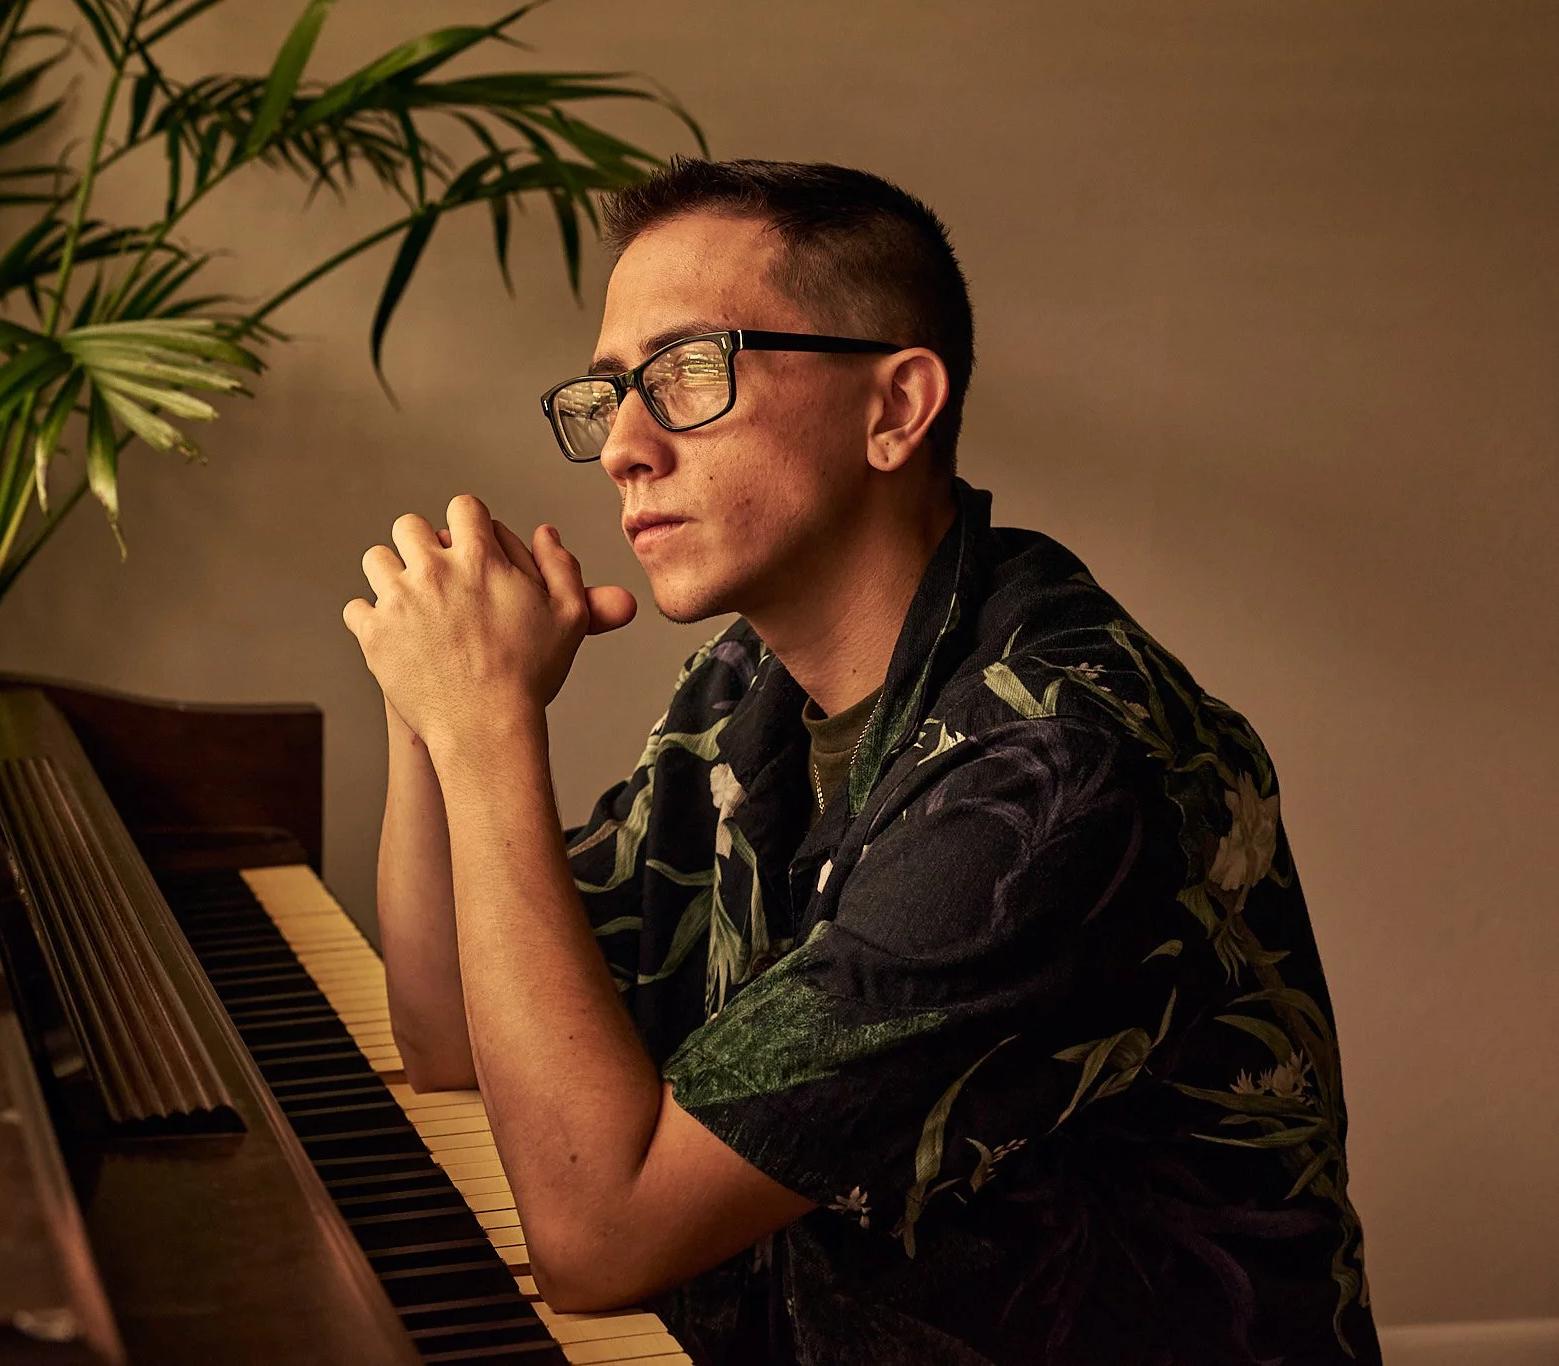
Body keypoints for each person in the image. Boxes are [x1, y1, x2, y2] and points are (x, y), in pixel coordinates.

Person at [342, 160, 1378, 1365]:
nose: (623, 444)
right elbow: (449, 1036)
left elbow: (598, 1235)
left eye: (687, 371)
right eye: (612, 389)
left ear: (896, 408)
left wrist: (488, 729)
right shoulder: (750, 682)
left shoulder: (1054, 770)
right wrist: (430, 700)